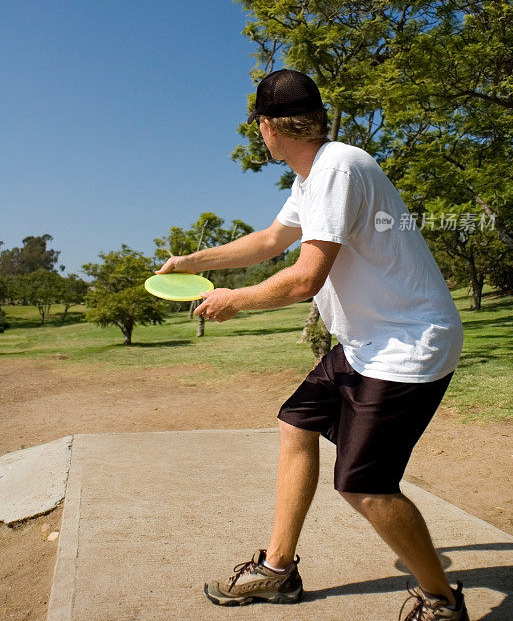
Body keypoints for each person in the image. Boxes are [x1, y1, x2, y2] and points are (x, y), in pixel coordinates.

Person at [156, 69, 469, 620]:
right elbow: (273, 240)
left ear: (267, 127)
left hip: (406, 346)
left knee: (365, 486)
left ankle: (442, 601)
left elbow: (305, 279)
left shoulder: (338, 168)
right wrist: (192, 262)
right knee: (296, 424)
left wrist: (236, 301)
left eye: (259, 125)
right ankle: (277, 572)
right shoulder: (314, 175)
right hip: (364, 342)